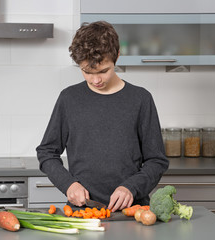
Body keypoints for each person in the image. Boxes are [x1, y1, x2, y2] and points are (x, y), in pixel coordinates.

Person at [36, 21, 169, 212]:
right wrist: (68, 185)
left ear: (117, 56)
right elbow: (47, 152)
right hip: (83, 211)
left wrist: (131, 188)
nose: (96, 80)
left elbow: (157, 160)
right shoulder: (69, 99)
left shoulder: (141, 99)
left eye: (103, 71)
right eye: (87, 72)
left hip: (132, 212)